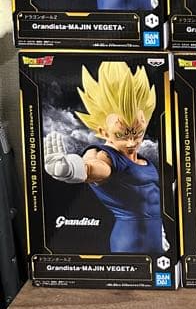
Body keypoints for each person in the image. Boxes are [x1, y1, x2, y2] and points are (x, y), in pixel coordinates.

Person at [43, 62, 163, 254]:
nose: (131, 142)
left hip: (157, 242)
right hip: (130, 243)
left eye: (138, 133)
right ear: (103, 131)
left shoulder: (142, 157)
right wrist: (71, 170)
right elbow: (95, 167)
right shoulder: (106, 155)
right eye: (121, 135)